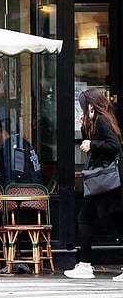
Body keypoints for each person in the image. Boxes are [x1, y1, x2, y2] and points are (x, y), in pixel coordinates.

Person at [64, 88, 123, 281]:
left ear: (90, 105)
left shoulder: (102, 120)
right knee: (107, 221)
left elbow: (114, 145)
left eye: (83, 106)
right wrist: (84, 129)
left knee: (90, 220)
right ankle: (85, 265)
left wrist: (92, 144)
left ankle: (85, 265)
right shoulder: (97, 120)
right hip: (102, 180)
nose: (82, 110)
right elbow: (94, 142)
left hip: (104, 180)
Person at [0, 119, 42, 187]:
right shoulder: (25, 143)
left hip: (21, 190)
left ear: (4, 133)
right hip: (35, 188)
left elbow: (12, 176)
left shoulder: (9, 147)